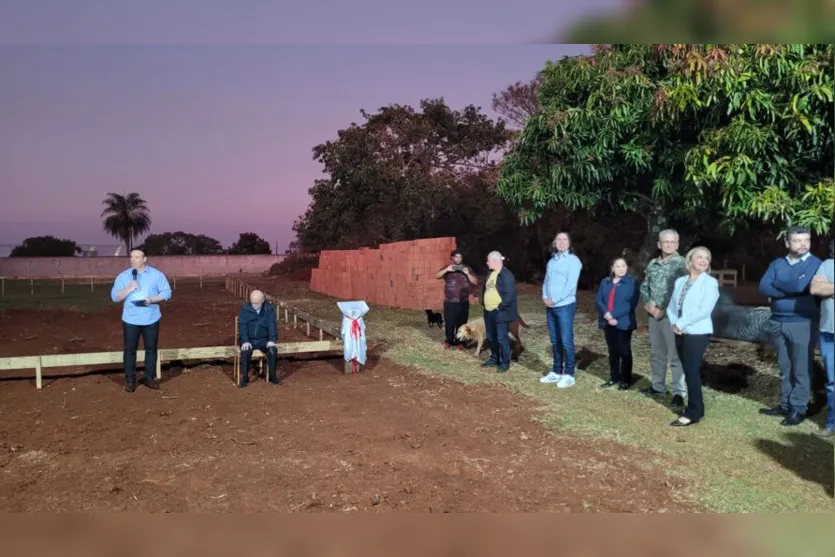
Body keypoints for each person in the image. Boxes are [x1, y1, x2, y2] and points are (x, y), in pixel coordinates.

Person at [758, 225, 822, 426]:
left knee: (801, 368)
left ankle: (798, 408)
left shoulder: (815, 263)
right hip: (778, 321)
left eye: (806, 240)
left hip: (802, 322)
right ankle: (785, 404)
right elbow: (763, 286)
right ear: (787, 242)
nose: (803, 244)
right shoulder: (778, 263)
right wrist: (789, 287)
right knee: (785, 367)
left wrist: (778, 284)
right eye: (797, 240)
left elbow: (799, 286)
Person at [667, 247, 720, 427]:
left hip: (697, 332)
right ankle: (699, 407)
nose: (704, 261)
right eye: (700, 257)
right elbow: (672, 305)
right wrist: (674, 323)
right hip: (679, 331)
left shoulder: (710, 283)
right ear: (690, 261)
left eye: (707, 258)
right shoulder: (681, 281)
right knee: (688, 369)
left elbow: (704, 310)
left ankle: (693, 413)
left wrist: (681, 324)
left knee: (691, 371)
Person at [110, 248, 172, 392]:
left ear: (144, 259)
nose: (133, 260)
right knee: (129, 350)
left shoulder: (157, 275)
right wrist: (128, 289)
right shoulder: (123, 276)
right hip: (130, 319)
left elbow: (167, 292)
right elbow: (115, 297)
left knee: (151, 349)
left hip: (151, 318)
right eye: (131, 257)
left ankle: (149, 378)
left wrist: (151, 299)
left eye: (137, 257)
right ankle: (130, 381)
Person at [639, 229, 687, 408]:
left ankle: (678, 393)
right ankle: (657, 386)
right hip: (654, 315)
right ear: (659, 244)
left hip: (672, 318)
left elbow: (682, 293)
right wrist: (648, 303)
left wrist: (664, 310)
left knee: (675, 356)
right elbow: (645, 286)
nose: (668, 245)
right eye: (665, 242)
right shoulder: (653, 264)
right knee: (657, 353)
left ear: (677, 244)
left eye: (672, 242)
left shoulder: (682, 265)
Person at [540, 232, 583, 389]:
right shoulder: (552, 262)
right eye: (558, 239)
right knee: (555, 340)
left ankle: (569, 374)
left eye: (565, 239)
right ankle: (556, 371)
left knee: (566, 340)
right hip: (550, 306)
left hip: (564, 305)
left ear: (569, 243)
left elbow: (571, 286)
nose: (561, 242)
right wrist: (545, 297)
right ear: (554, 243)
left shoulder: (573, 261)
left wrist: (555, 300)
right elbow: (546, 282)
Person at [595, 257, 640, 390]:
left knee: (624, 351)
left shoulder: (632, 282)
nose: (621, 268)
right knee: (613, 351)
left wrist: (613, 315)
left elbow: (631, 304)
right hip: (607, 321)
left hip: (624, 322)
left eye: (623, 266)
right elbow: (599, 300)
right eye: (618, 266)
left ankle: (626, 380)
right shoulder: (605, 282)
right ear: (612, 268)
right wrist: (607, 315)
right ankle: (614, 377)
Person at [810, 238, 834, 438]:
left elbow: (825, 289)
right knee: (833, 381)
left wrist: (831, 288)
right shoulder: (827, 265)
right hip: (829, 332)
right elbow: (816, 289)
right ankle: (831, 424)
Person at [480, 251, 517, 373]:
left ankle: (505, 362)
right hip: (488, 311)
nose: (487, 263)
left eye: (488, 260)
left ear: (495, 261)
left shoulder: (506, 275)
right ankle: (495, 358)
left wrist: (500, 306)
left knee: (501, 338)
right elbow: (486, 289)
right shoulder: (490, 273)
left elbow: (510, 295)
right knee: (491, 337)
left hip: (500, 311)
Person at [238, 289, 280, 388]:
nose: (254, 305)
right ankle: (245, 378)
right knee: (245, 351)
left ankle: (273, 377)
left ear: (262, 300)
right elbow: (242, 326)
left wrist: (272, 340)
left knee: (272, 350)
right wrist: (245, 340)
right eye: (252, 303)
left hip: (263, 340)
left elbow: (272, 325)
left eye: (256, 303)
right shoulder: (245, 309)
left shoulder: (268, 309)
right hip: (249, 340)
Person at [436, 250, 477, 350]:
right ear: (452, 258)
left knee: (462, 322)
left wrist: (467, 274)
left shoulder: (467, 268)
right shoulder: (448, 268)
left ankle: (461, 342)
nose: (458, 259)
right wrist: (447, 270)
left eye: (460, 257)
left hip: (463, 301)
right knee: (449, 322)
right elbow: (437, 276)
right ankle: (449, 341)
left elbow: (475, 282)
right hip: (449, 301)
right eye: (456, 257)